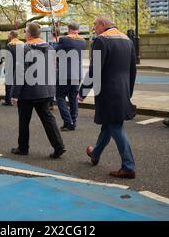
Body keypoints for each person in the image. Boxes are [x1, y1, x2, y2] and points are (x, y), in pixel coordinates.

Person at [79, 15, 136, 179]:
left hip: (107, 91)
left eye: (95, 25)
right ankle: (95, 154)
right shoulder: (127, 39)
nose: (93, 28)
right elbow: (133, 70)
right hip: (122, 90)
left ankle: (128, 166)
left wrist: (83, 92)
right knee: (108, 125)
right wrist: (129, 91)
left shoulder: (101, 40)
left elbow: (94, 69)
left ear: (103, 25)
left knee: (115, 126)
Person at [11, 22, 66, 159]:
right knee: (48, 119)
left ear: (28, 33)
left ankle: (23, 147)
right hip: (45, 89)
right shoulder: (50, 48)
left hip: (28, 91)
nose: (24, 33)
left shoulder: (23, 49)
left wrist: (14, 94)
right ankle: (59, 146)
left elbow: (20, 72)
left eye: (25, 31)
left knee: (24, 120)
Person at [55, 22, 86, 131]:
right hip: (77, 74)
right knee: (73, 98)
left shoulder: (65, 40)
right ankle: (73, 121)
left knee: (60, 97)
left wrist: (56, 38)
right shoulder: (82, 41)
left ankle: (68, 122)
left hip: (65, 73)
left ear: (69, 29)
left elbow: (56, 50)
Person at [3, 30, 24, 106]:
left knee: (8, 84)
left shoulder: (9, 45)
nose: (8, 36)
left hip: (11, 66)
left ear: (12, 36)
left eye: (9, 35)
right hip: (20, 66)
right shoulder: (22, 44)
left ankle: (8, 100)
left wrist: (5, 68)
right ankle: (18, 98)